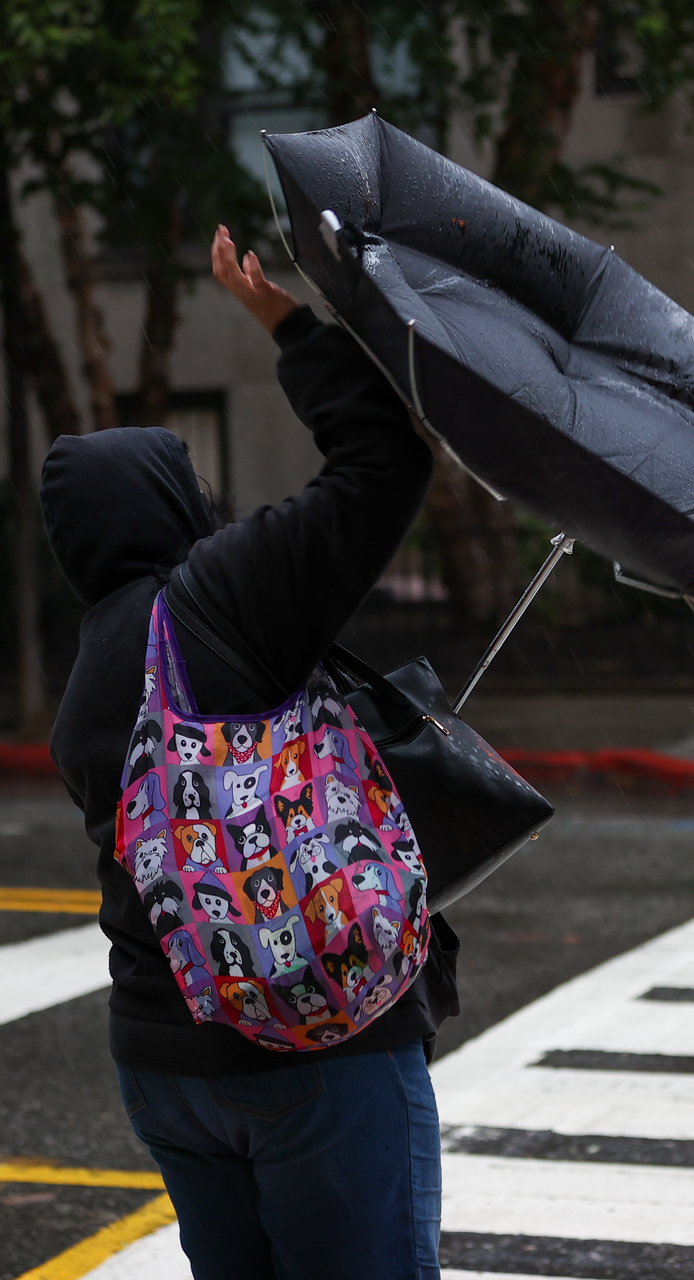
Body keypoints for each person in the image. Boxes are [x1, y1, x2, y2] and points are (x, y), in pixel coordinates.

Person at [41, 226, 457, 1280]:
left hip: (163, 1059)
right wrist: (282, 319)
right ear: (181, 504)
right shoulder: (221, 593)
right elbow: (383, 461)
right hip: (313, 1044)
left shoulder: (90, 671)